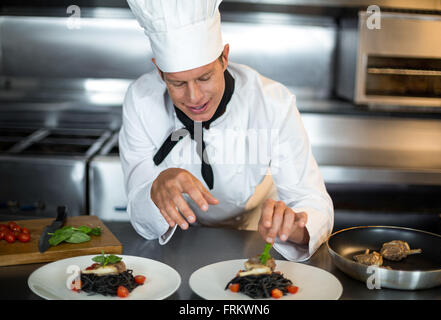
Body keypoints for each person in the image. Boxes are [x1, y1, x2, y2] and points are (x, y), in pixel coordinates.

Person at [120, 0, 334, 261]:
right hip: (178, 246)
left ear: (224, 57)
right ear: (159, 71)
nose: (194, 97)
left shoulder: (272, 102)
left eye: (204, 78)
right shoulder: (141, 101)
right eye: (178, 83)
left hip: (257, 242)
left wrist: (295, 226)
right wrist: (154, 191)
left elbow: (311, 199)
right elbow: (138, 208)